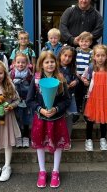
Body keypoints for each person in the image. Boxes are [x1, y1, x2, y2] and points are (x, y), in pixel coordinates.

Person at [26, 51, 70, 188]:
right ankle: (42, 171)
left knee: (57, 144)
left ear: (56, 63)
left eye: (52, 61)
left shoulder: (61, 79)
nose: (50, 64)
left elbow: (67, 100)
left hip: (57, 118)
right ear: (41, 64)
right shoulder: (36, 79)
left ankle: (56, 171)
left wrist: (56, 109)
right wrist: (41, 109)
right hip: (41, 118)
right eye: (47, 62)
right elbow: (29, 100)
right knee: (39, 143)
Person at [81, 45, 107, 151]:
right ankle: (88, 139)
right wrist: (85, 81)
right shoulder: (91, 67)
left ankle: (103, 139)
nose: (100, 58)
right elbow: (83, 77)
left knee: (103, 120)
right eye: (98, 55)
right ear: (94, 56)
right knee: (90, 119)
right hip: (93, 98)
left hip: (104, 98)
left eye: (103, 55)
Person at [10, 52, 32, 148]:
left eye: (23, 62)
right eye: (18, 62)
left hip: (26, 101)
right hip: (15, 101)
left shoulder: (29, 74)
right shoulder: (11, 74)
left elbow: (32, 87)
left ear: (27, 64)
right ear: (14, 63)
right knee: (17, 119)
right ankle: (18, 137)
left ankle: (26, 137)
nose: (20, 64)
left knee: (26, 119)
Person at [57, 46, 78, 146]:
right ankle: (58, 137)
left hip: (70, 96)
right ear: (60, 55)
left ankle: (67, 138)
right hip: (59, 97)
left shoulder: (72, 67)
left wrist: (76, 81)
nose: (67, 58)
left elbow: (76, 78)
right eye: (65, 55)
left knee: (69, 117)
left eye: (70, 57)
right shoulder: (55, 67)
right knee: (59, 117)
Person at [74, 31, 93, 123]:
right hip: (78, 77)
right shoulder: (76, 52)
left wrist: (86, 79)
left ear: (90, 42)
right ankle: (76, 113)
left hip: (88, 79)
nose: (84, 43)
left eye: (86, 41)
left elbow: (92, 66)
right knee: (77, 96)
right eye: (82, 41)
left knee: (86, 96)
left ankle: (86, 114)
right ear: (78, 42)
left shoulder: (92, 53)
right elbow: (74, 66)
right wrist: (79, 77)